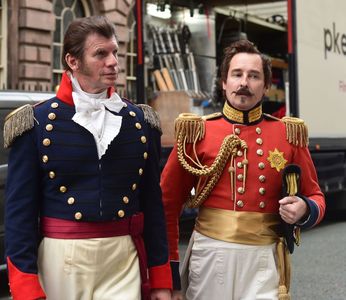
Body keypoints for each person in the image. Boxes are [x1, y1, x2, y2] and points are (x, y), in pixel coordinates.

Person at [4, 16, 172, 300]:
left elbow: (153, 206)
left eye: (115, 52)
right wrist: (26, 287)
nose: (113, 62)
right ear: (73, 61)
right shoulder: (36, 122)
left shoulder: (140, 122)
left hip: (123, 259)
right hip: (61, 260)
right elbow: (19, 214)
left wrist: (160, 279)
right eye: (101, 54)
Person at [161, 39, 325, 300]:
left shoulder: (288, 134)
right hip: (211, 256)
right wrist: (168, 276)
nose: (244, 83)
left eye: (254, 76)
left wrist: (305, 208)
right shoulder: (197, 132)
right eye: (236, 74)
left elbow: (316, 196)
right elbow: (166, 205)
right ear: (223, 83)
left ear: (266, 86)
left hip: (266, 258)